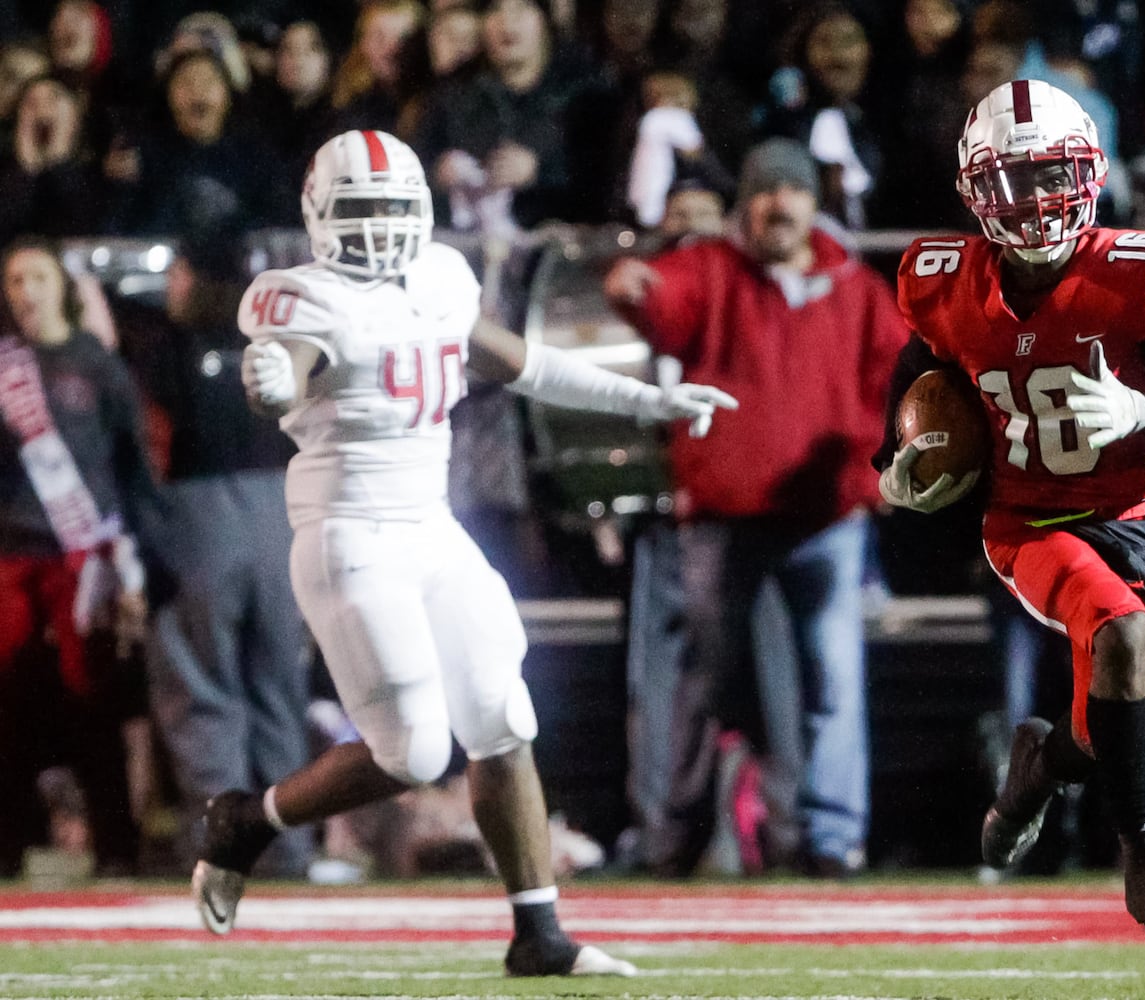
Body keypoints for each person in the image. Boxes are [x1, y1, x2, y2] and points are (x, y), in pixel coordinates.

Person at [191, 129, 735, 977]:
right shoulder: (302, 296)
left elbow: (520, 363)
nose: (376, 229)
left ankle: (538, 931)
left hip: (432, 528)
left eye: (392, 210)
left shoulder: (441, 278)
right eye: (359, 211)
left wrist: (645, 398)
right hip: (349, 535)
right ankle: (248, 820)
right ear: (319, 217)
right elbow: (289, 369)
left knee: (502, 717)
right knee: (412, 753)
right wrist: (274, 381)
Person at [877, 79, 1145, 929]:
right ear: (975, 192)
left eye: (1050, 176)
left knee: (1106, 717)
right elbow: (916, 371)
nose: (1035, 200)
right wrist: (891, 459)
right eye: (1012, 179)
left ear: (1089, 174)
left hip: (1141, 519)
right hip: (1030, 520)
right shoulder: (945, 283)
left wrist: (1143, 410)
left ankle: (1039, 767)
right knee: (1117, 631)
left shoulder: (1136, 276)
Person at [604, 137, 909, 878]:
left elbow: (896, 383)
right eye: (766, 192)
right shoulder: (712, 269)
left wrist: (879, 478)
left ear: (813, 202)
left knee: (830, 682)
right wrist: (633, 289)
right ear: (747, 203)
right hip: (725, 516)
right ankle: (670, 836)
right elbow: (664, 306)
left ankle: (827, 837)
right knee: (701, 682)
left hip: (824, 516)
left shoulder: (854, 286)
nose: (779, 205)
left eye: (792, 191)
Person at [119, 224, 313, 878]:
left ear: (196, 279)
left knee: (202, 688)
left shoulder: (164, 348)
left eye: (176, 273)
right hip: (281, 514)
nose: (168, 286)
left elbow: (145, 445)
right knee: (278, 687)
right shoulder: (277, 345)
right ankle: (288, 844)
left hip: (199, 514)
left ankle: (220, 846)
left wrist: (147, 543)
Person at [0, 237, 165, 877]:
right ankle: (7, 850)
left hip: (83, 557)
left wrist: (141, 560)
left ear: (61, 286)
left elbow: (134, 461)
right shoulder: (5, 364)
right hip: (13, 550)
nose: (24, 291)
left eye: (36, 277)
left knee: (94, 700)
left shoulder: (95, 363)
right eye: (14, 280)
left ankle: (117, 851)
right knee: (6, 702)